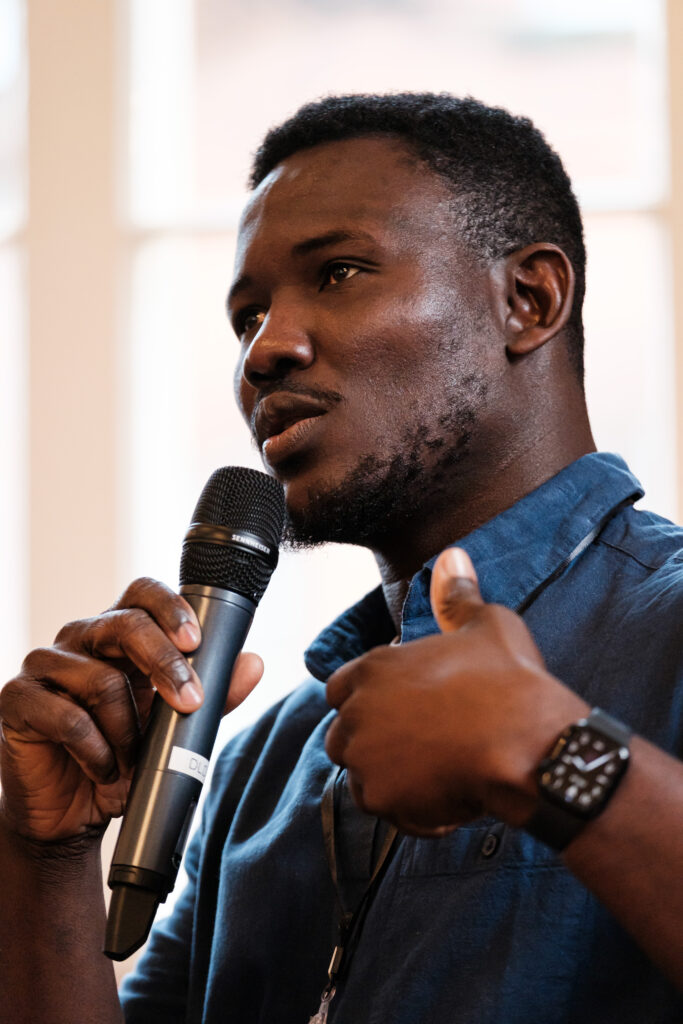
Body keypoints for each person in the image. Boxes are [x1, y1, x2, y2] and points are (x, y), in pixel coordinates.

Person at [1, 93, 682, 1024]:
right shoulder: (265, 764)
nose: (265, 350)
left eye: (339, 272)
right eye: (247, 316)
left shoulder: (668, 633)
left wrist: (550, 756)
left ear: (528, 300)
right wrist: (44, 857)